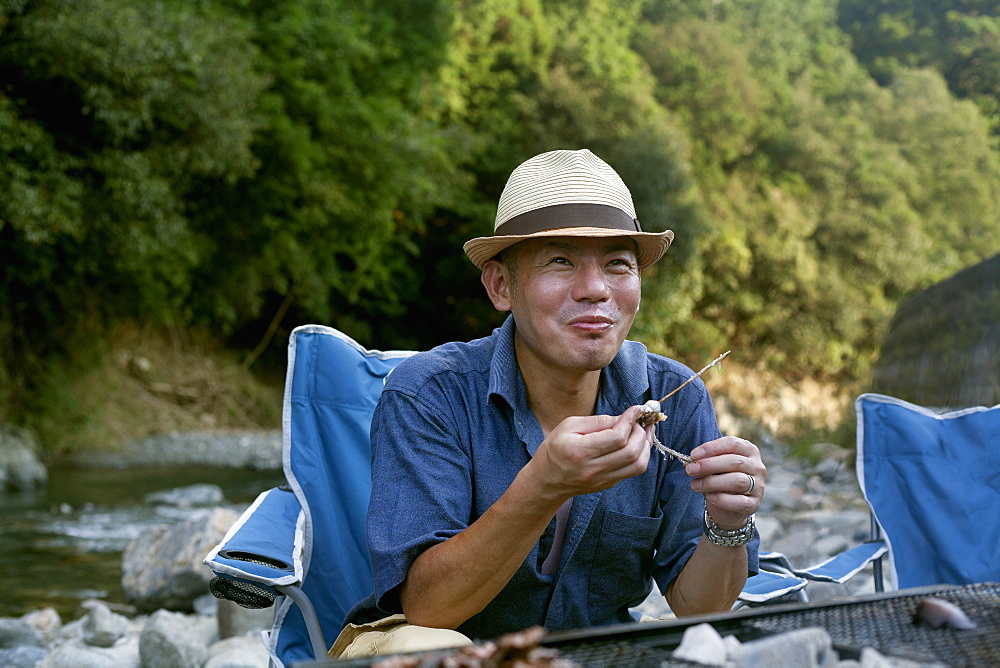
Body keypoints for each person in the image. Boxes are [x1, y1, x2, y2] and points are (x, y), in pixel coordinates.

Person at [329, 149, 766, 659]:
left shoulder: (676, 396)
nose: (595, 290)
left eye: (617, 265)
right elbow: (429, 609)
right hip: (435, 649)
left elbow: (701, 610)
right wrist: (543, 486)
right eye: (560, 262)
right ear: (500, 285)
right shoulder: (428, 393)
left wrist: (729, 522)